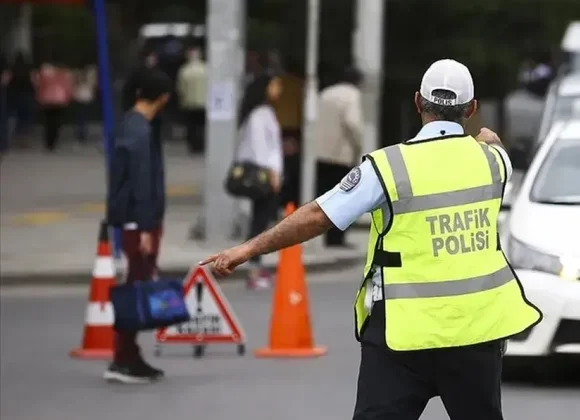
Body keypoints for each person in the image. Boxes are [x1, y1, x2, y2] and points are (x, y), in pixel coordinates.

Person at [201, 59, 542, 420]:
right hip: (476, 333)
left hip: (402, 334)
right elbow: (491, 142)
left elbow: (319, 216)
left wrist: (249, 248)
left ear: (417, 102)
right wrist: (484, 138)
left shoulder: (387, 167)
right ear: (472, 109)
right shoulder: (493, 162)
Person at [104, 69, 172, 384]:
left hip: (132, 219)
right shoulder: (141, 132)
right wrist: (146, 227)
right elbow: (141, 183)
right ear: (163, 97)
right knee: (136, 287)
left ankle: (129, 354)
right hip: (138, 222)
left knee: (136, 284)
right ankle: (123, 358)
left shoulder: (130, 124)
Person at [234, 72, 284, 290]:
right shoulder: (258, 114)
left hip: (269, 174)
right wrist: (272, 173)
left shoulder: (265, 112)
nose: (279, 89)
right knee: (259, 222)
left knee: (262, 220)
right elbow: (259, 148)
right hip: (264, 176)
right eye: (275, 84)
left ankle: (257, 265)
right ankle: (253, 268)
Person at [315, 66, 364, 247]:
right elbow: (352, 122)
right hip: (340, 155)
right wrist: (358, 145)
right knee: (343, 198)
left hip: (320, 153)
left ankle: (325, 236)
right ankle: (337, 239)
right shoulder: (352, 95)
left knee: (324, 197)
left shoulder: (326, 93)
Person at [33, 60, 73, 152]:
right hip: (59, 101)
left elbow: (40, 87)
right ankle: (53, 142)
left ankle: (49, 142)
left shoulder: (45, 73)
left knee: (48, 122)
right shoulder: (63, 74)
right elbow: (67, 87)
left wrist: (39, 98)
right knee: (56, 123)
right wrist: (67, 99)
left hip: (47, 101)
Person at [176, 47, 207, 154]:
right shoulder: (206, 69)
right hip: (204, 102)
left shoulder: (184, 70)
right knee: (202, 125)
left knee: (191, 125)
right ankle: (202, 144)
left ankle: (194, 145)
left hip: (189, 103)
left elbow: (180, 88)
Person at [72, 64, 97, 144]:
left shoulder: (76, 73)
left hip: (78, 96)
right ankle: (82, 134)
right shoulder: (91, 73)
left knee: (80, 116)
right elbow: (94, 85)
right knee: (84, 116)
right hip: (86, 96)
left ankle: (80, 133)